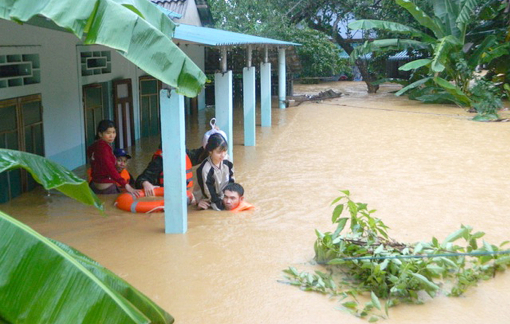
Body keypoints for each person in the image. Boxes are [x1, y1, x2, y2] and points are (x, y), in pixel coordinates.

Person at [135, 144, 204, 203]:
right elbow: (141, 179)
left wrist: (208, 143)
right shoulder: (159, 161)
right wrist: (145, 183)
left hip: (186, 197)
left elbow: (199, 156)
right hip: (166, 200)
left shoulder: (184, 153)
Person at [87, 120, 139, 196]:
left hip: (94, 186)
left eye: (114, 132)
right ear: (100, 134)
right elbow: (110, 168)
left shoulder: (94, 146)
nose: (112, 136)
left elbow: (90, 154)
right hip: (107, 189)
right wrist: (126, 185)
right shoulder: (104, 148)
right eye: (108, 133)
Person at [196, 133, 234, 211]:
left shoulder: (227, 160)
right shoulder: (206, 169)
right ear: (210, 151)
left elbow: (232, 180)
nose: (223, 155)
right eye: (219, 152)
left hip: (221, 196)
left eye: (225, 151)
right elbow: (211, 196)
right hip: (208, 199)